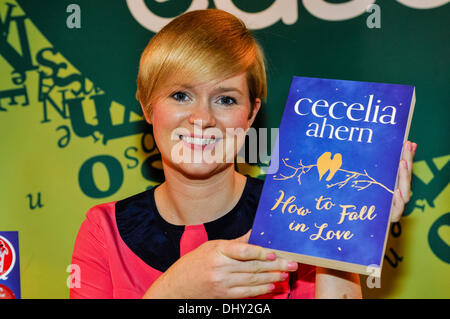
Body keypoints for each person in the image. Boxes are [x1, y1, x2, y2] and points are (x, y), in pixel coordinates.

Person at [70, 9, 417, 299]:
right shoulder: (104, 230)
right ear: (147, 105)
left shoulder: (302, 213)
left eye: (225, 99)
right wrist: (174, 290)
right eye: (180, 95)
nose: (202, 119)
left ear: (250, 114)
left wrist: (346, 232)